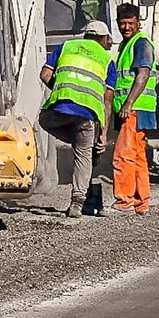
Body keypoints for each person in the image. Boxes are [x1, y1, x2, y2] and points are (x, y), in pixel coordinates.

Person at [39, 20, 117, 219]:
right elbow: (107, 102)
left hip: (60, 108)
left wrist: (62, 88)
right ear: (103, 38)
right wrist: (104, 134)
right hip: (88, 113)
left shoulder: (66, 46)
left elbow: (45, 74)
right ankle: (77, 203)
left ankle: (81, 142)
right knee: (84, 153)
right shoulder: (108, 61)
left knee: (43, 120)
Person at [112, 2, 158, 214]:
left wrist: (128, 104)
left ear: (139, 22)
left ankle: (124, 201)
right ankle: (142, 202)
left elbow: (143, 74)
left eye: (130, 23)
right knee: (138, 156)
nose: (126, 27)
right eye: (122, 24)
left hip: (135, 109)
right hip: (140, 109)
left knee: (124, 154)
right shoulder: (125, 46)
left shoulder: (141, 44)